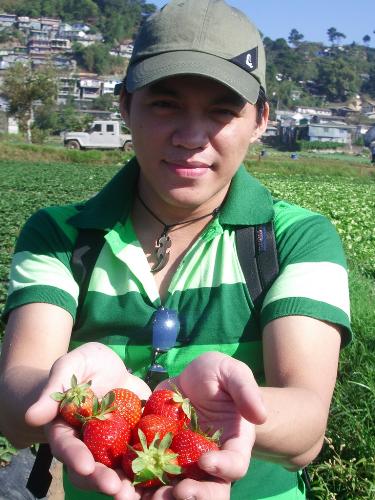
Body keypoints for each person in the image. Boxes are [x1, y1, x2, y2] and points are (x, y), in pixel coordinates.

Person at [0, 1, 352, 499]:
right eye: (164, 104)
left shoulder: (297, 239)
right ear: (125, 106)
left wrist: (233, 415)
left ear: (260, 120)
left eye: (221, 111)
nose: (190, 138)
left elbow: (307, 426)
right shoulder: (60, 235)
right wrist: (66, 398)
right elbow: (17, 408)